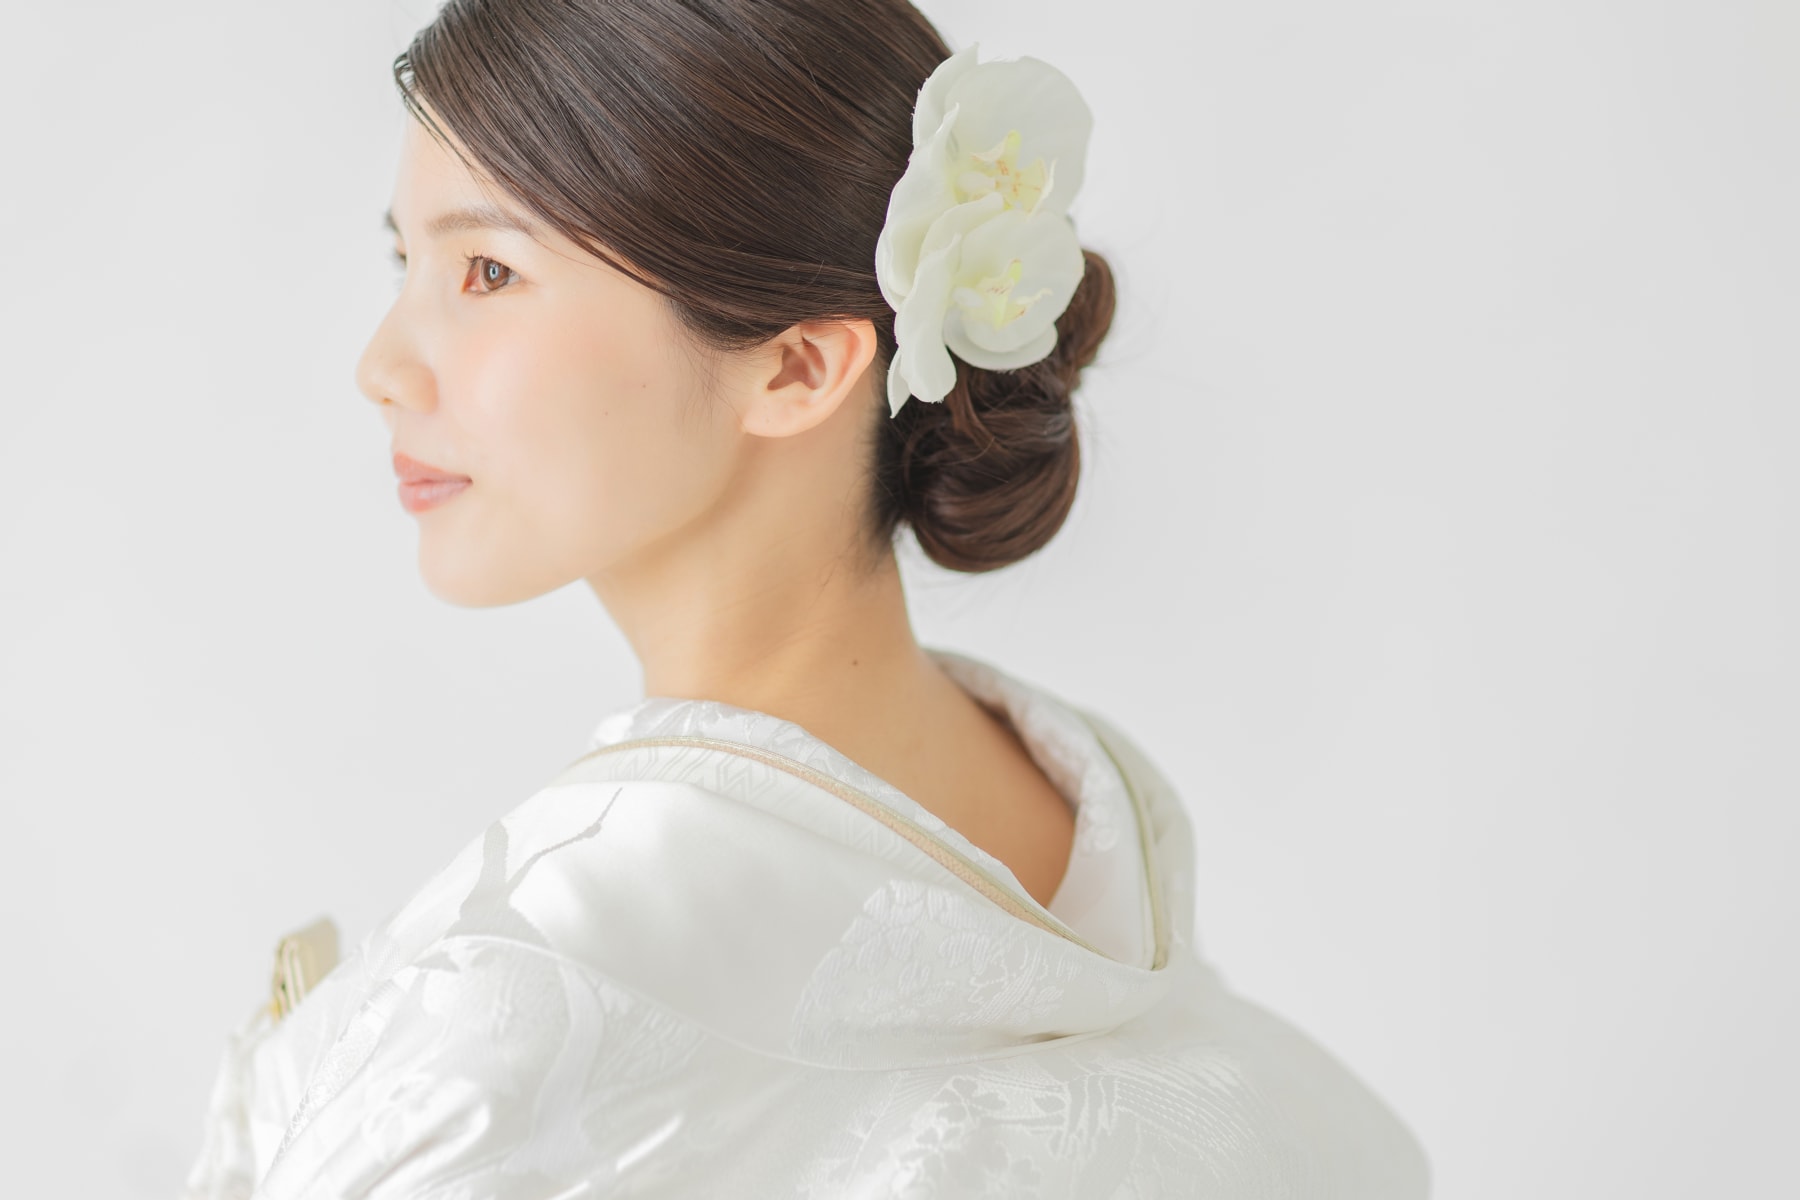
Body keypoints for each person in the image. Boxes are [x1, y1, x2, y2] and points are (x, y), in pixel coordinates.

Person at [180, 1, 1431, 1195]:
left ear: (796, 367)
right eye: (404, 260)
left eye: (489, 272)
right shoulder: (1083, 816)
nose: (381, 366)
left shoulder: (539, 970)